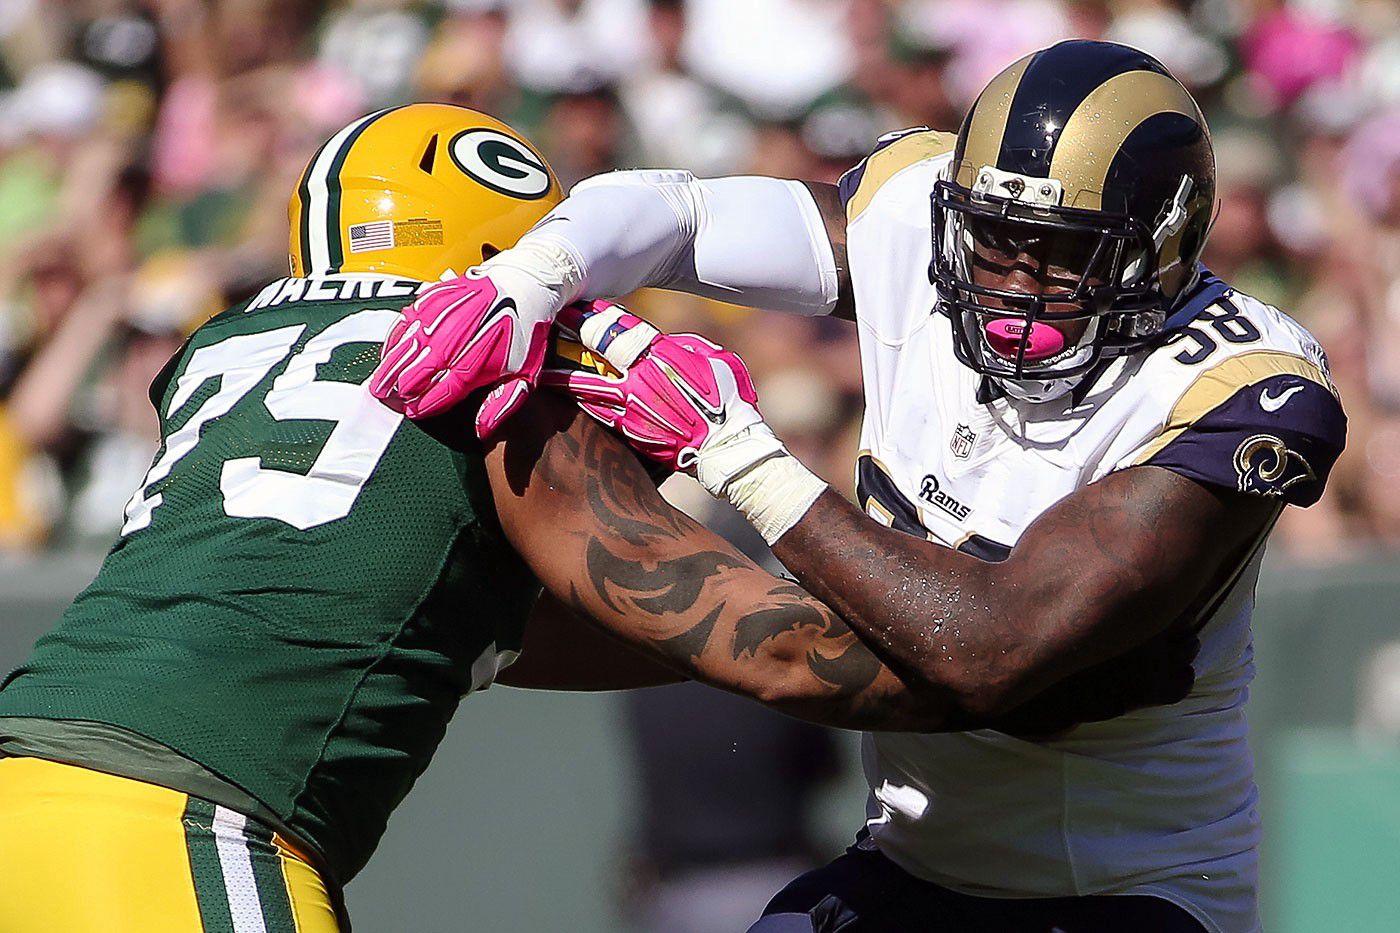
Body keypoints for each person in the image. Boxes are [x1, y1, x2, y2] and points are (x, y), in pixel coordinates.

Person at [0, 102, 1177, 933]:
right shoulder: (499, 381)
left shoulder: (225, 350)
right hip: (180, 827)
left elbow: (465, 618)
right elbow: (760, 644)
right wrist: (999, 666)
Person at [370, 41, 1349, 933]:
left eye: (1061, 251)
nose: (1012, 283)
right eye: (994, 237)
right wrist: (530, 278)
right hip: (910, 865)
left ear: (1161, 246)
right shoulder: (915, 221)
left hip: (1123, 891)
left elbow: (992, 651)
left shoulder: (1233, 388)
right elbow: (671, 211)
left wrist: (738, 455)